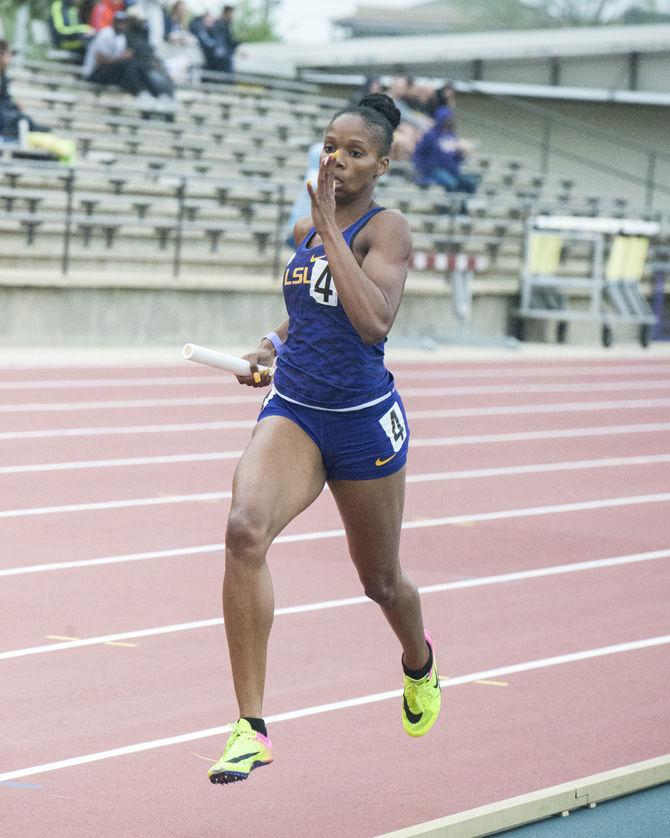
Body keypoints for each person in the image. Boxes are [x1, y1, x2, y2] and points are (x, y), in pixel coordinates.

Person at [207, 92, 442, 786]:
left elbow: (372, 323)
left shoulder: (386, 228)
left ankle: (419, 664)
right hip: (297, 412)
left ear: (383, 162)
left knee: (380, 582)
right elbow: (308, 314)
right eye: (330, 144)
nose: (336, 159)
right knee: (244, 530)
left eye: (355, 151)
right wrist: (269, 345)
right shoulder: (310, 230)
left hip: (362, 422)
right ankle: (250, 728)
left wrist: (331, 231)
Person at [82, 10, 164, 99]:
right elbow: (100, 60)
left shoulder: (121, 38)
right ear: (114, 22)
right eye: (119, 22)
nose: (121, 25)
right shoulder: (106, 34)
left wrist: (124, 57)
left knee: (136, 65)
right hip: (94, 73)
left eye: (123, 23)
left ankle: (155, 93)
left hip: (107, 71)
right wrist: (122, 58)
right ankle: (140, 93)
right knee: (129, 64)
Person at [412, 106, 478, 194]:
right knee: (451, 183)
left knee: (471, 183)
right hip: (434, 171)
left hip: (452, 171)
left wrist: (461, 153)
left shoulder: (452, 135)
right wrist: (423, 168)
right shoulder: (430, 135)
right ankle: (449, 205)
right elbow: (419, 153)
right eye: (447, 118)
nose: (450, 120)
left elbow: (457, 158)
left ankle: (462, 206)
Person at [190, 4, 239, 74]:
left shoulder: (215, 29)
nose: (212, 20)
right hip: (212, 63)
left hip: (217, 63)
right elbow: (210, 45)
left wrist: (239, 41)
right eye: (209, 17)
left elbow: (225, 43)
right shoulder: (200, 29)